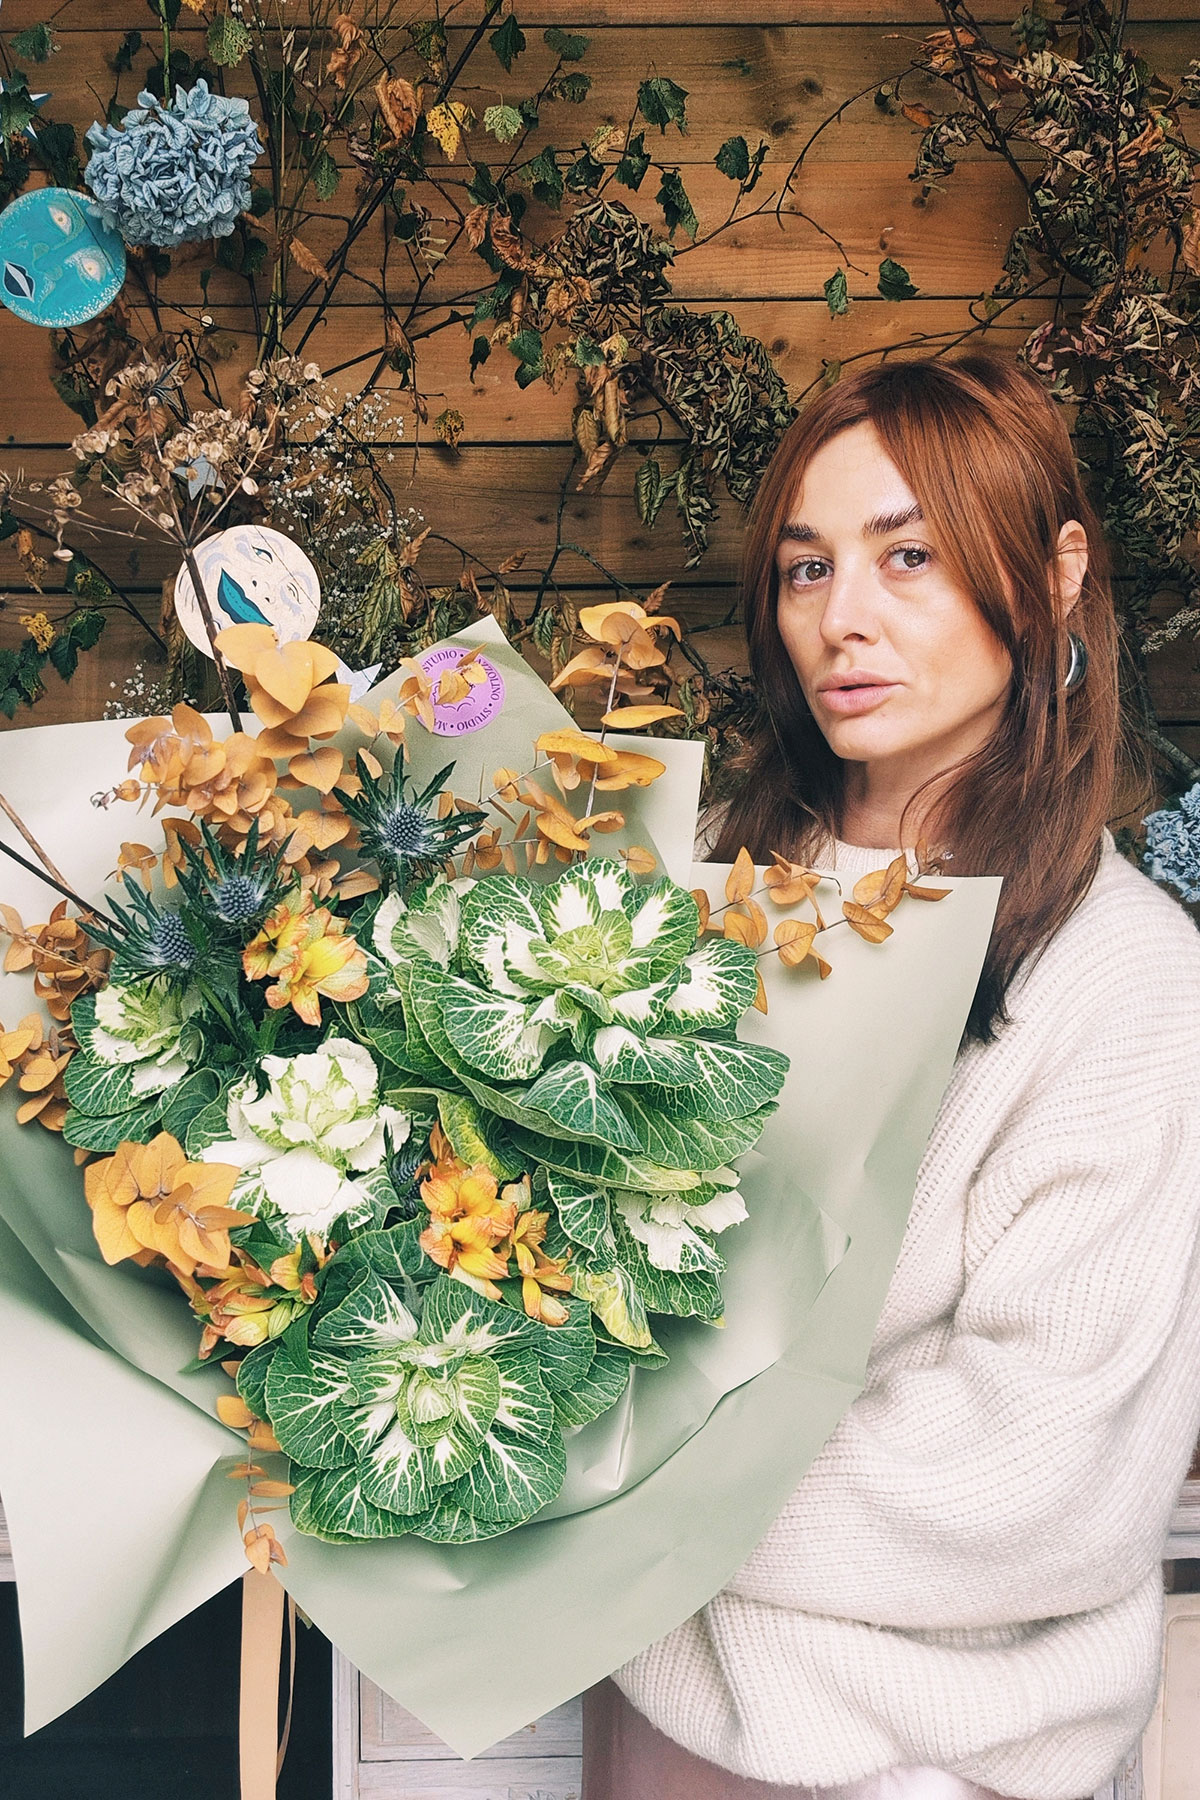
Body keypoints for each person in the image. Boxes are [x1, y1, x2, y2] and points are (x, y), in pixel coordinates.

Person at [580, 351, 1200, 1800]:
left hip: (942, 1761)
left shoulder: (1129, 979)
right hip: (652, 1690)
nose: (842, 618)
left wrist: (608, 1471)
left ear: (1052, 575)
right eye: (805, 569)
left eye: (905, 555)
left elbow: (1039, 1469)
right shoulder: (698, 893)